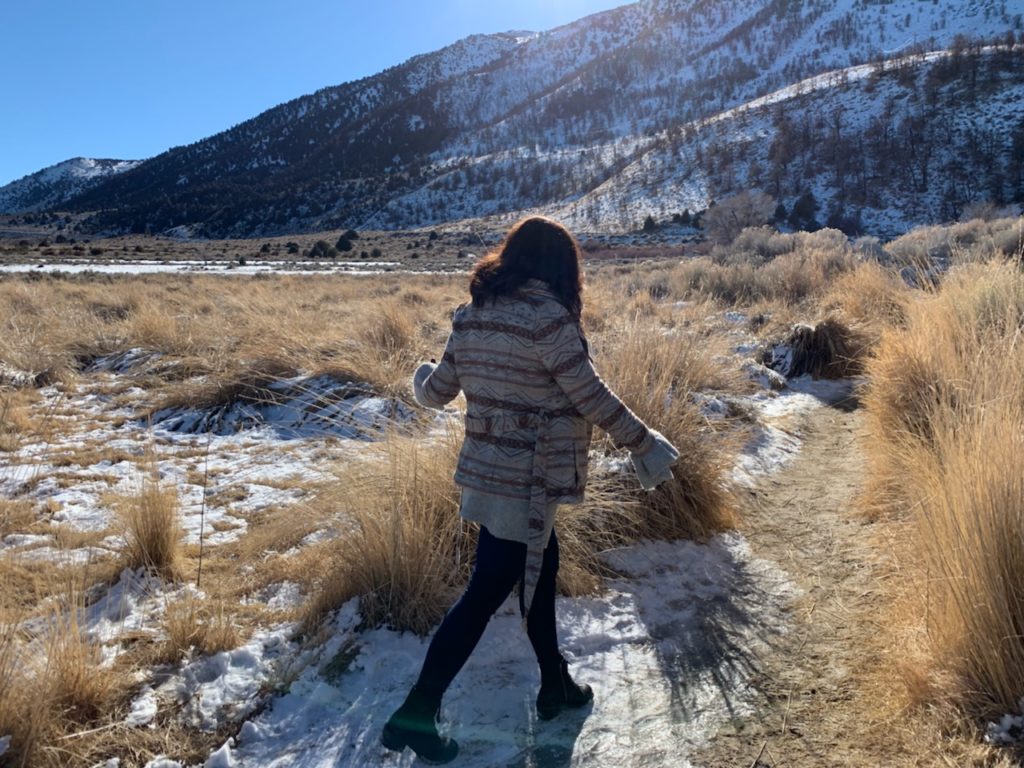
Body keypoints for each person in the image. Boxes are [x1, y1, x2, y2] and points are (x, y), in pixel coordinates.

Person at [381, 216, 679, 763]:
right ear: (561, 267)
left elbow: (440, 392)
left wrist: (421, 376)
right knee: (487, 591)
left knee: (541, 573)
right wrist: (644, 443)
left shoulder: (471, 317)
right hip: (529, 482)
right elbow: (592, 395)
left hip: (488, 477)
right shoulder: (550, 321)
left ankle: (555, 686)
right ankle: (415, 713)